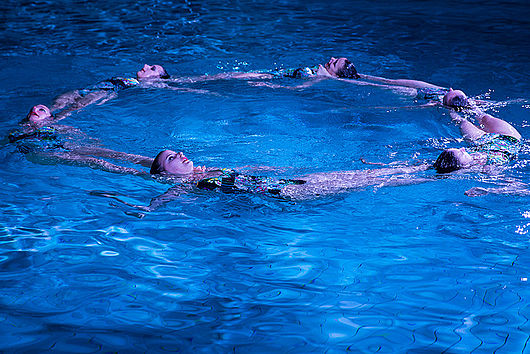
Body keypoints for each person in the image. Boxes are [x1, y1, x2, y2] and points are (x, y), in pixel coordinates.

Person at [93, 149, 432, 214]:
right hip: (282, 194)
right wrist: (145, 208)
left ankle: (421, 167)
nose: (180, 155)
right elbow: (163, 200)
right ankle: (431, 174)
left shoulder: (202, 173)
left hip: (285, 182)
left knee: (360, 175)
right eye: (171, 159)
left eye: (178, 151)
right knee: (360, 183)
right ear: (166, 173)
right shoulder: (184, 185)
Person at [8, 104, 154, 176]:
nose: (35, 109)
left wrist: (93, 143)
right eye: (32, 109)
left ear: (50, 118)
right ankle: (143, 175)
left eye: (42, 110)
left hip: (63, 146)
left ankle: (155, 162)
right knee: (95, 161)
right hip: (39, 154)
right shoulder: (18, 131)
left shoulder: (57, 126)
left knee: (115, 153)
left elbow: (77, 134)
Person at [50, 64, 211, 118]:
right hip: (84, 90)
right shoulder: (133, 78)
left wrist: (207, 94)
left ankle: (46, 127)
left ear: (157, 77)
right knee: (53, 106)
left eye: (152, 68)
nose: (146, 66)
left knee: (70, 111)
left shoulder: (151, 84)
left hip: (103, 92)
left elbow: (184, 85)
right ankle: (32, 123)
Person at [432, 92, 522, 174]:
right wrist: (485, 190)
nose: (463, 148)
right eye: (460, 152)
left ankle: (450, 109)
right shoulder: (486, 168)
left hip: (483, 142)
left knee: (463, 122)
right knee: (485, 118)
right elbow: (511, 184)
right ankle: (461, 102)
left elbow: (428, 167)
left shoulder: (461, 161)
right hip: (510, 139)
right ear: (461, 164)